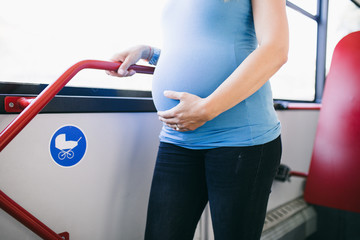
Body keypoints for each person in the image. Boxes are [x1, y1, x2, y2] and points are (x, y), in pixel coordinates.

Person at [107, 0, 288, 239]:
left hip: (241, 141)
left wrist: (207, 109)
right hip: (177, 138)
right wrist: (147, 53)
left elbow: (275, 50)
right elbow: (200, 46)